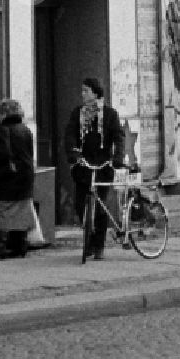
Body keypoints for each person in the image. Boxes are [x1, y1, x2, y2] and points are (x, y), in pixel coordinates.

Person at [63, 76, 124, 260]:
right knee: (81, 204)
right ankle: (87, 240)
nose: (82, 94)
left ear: (95, 92)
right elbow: (70, 135)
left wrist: (117, 157)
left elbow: (118, 137)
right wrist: (73, 152)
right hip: (84, 165)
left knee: (100, 206)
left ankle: (98, 245)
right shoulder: (77, 113)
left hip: (103, 165)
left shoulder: (110, 114)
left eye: (86, 90)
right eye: (82, 91)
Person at [0, 97, 36, 258]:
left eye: (0, 113)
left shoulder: (4, 129)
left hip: (9, 177)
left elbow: (3, 154)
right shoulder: (25, 129)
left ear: (5, 113)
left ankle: (0, 246)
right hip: (25, 175)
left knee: (2, 208)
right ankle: (20, 245)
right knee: (21, 208)